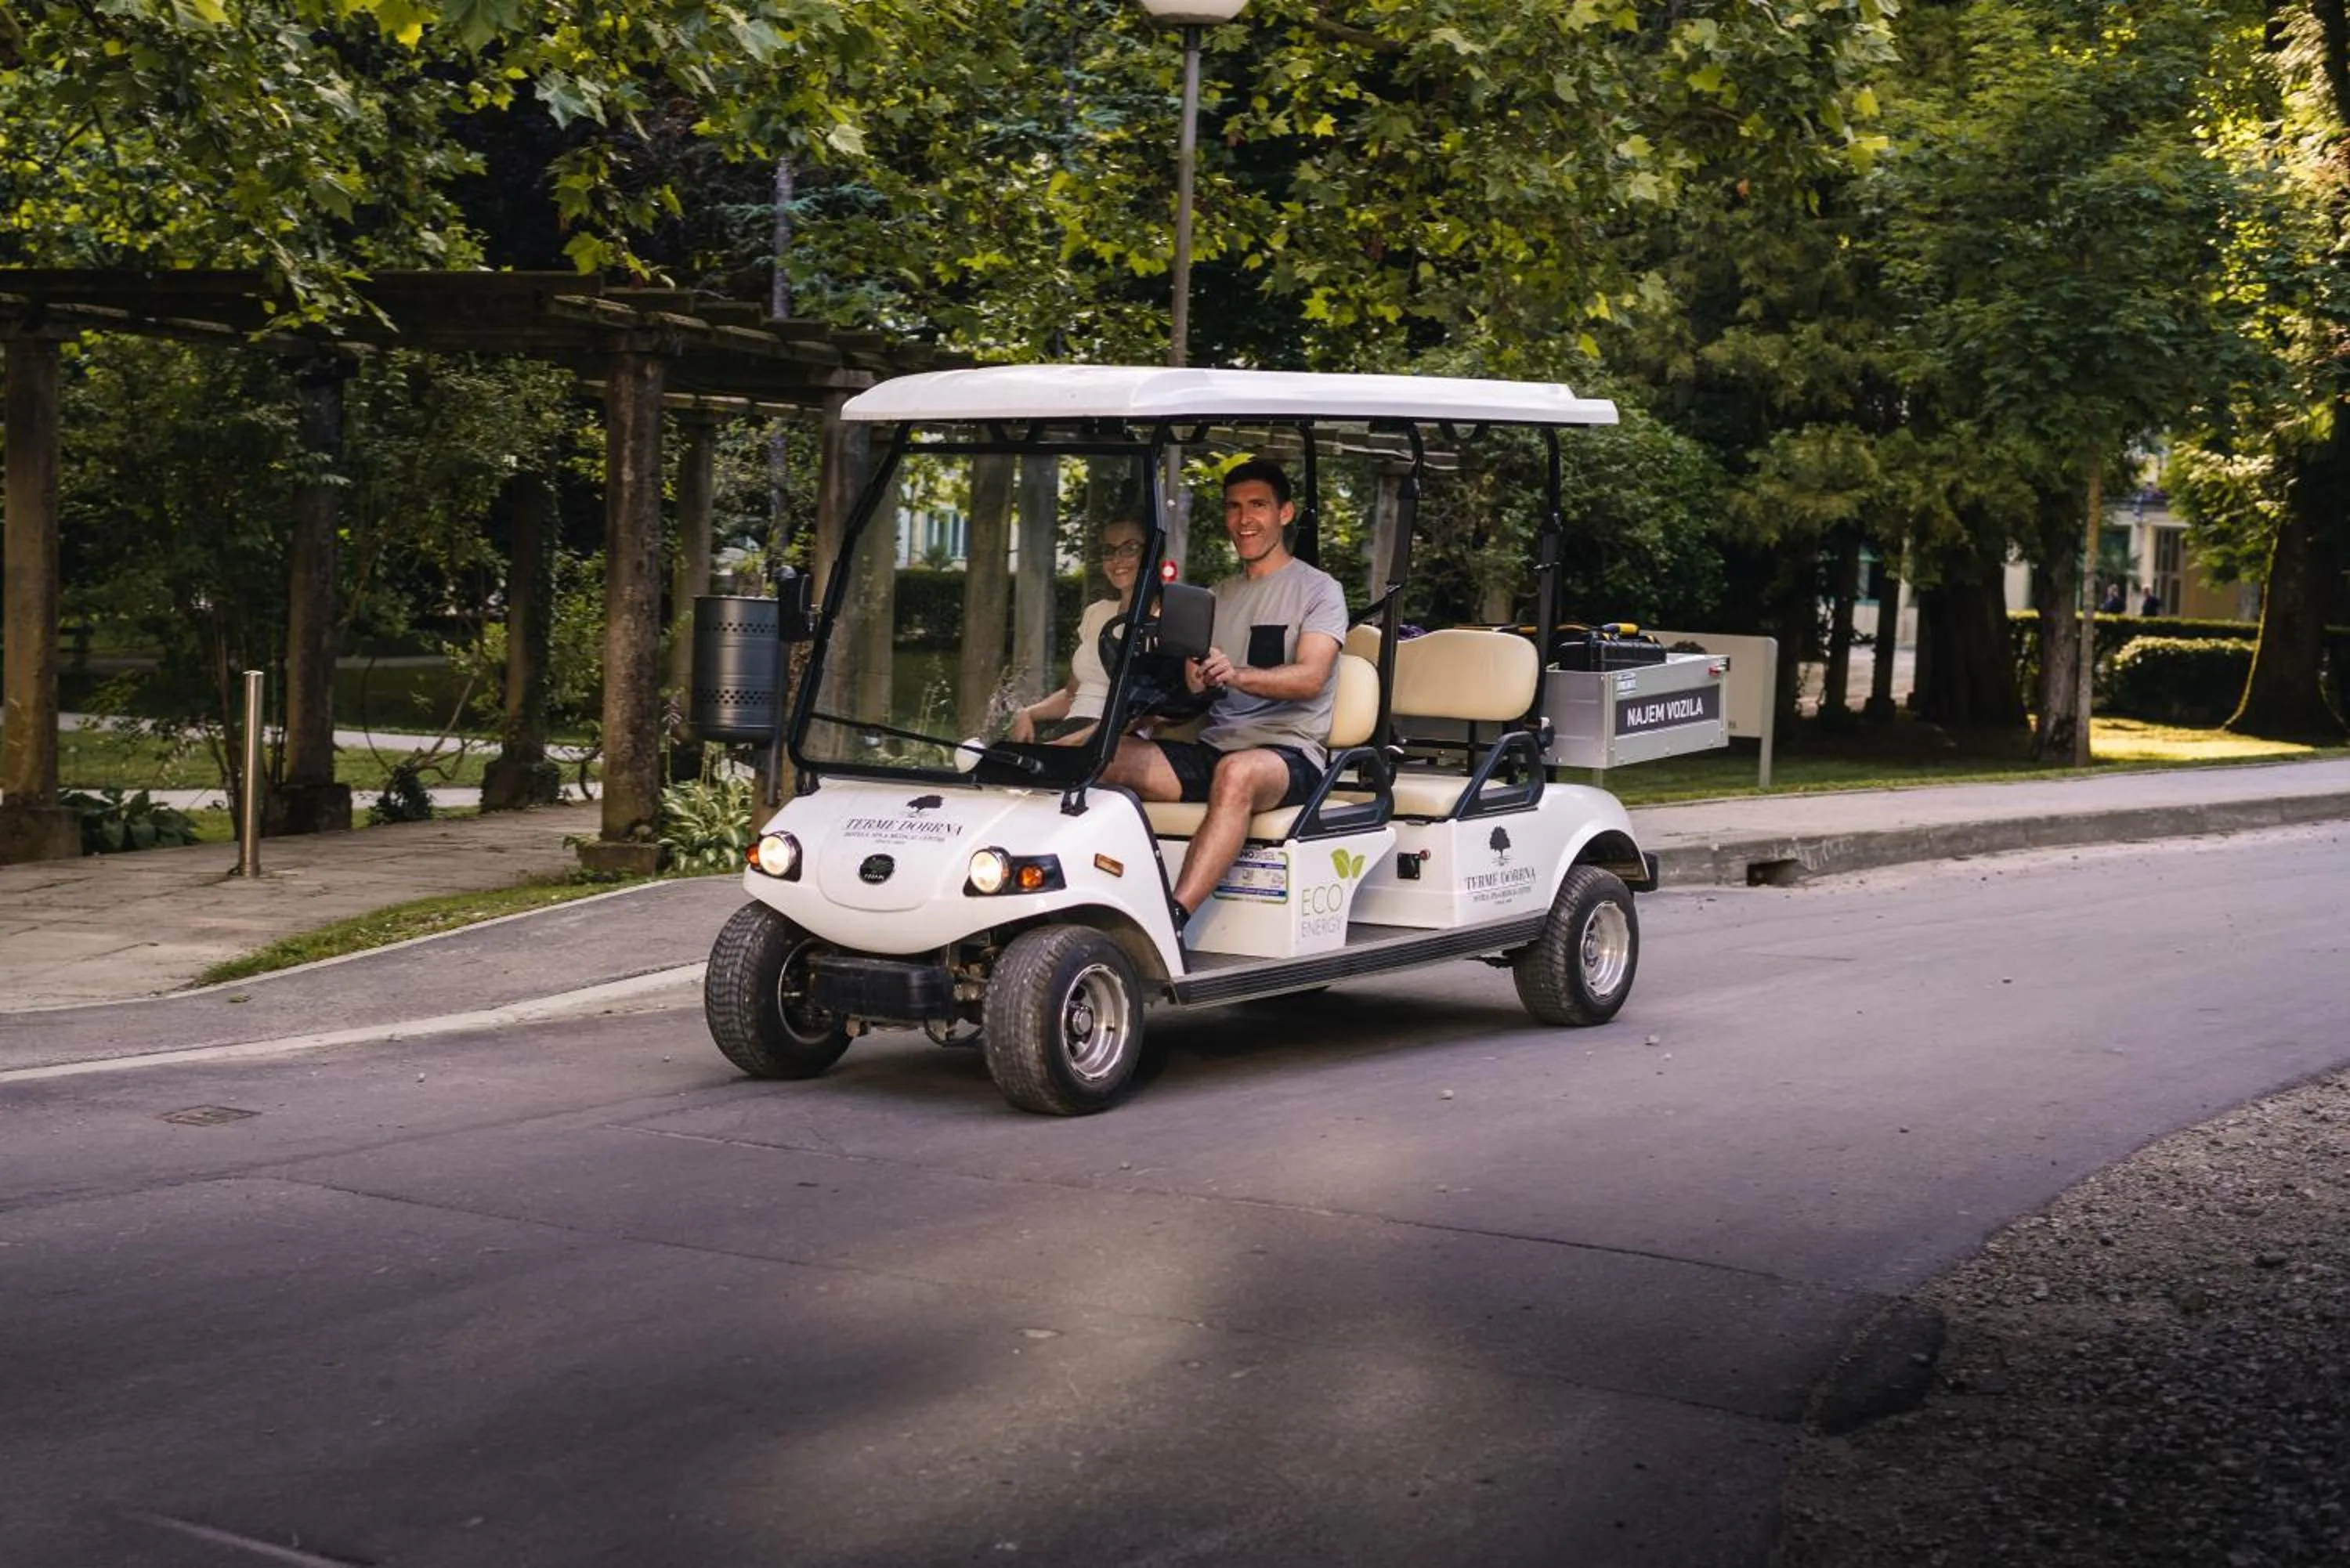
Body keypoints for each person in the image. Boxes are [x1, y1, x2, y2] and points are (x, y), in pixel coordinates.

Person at [1100, 457, 1349, 931]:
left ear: (1285, 514)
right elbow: (1192, 689)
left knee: (1235, 773)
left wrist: (1235, 675)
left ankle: (1171, 921)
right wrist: (1194, 683)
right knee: (1102, 753)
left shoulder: (1319, 590)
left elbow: (1310, 678)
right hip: (1215, 749)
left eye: (1258, 505)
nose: (1244, 519)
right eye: (1234, 508)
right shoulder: (1213, 596)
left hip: (1288, 755)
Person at [1007, 518, 1146, 745]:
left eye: (1130, 548)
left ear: (1150, 553)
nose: (1117, 560)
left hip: (1115, 741)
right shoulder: (1096, 613)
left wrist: (1072, 743)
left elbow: (1143, 714)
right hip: (1071, 730)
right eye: (1108, 551)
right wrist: (1028, 713)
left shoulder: (1161, 620)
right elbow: (1072, 695)